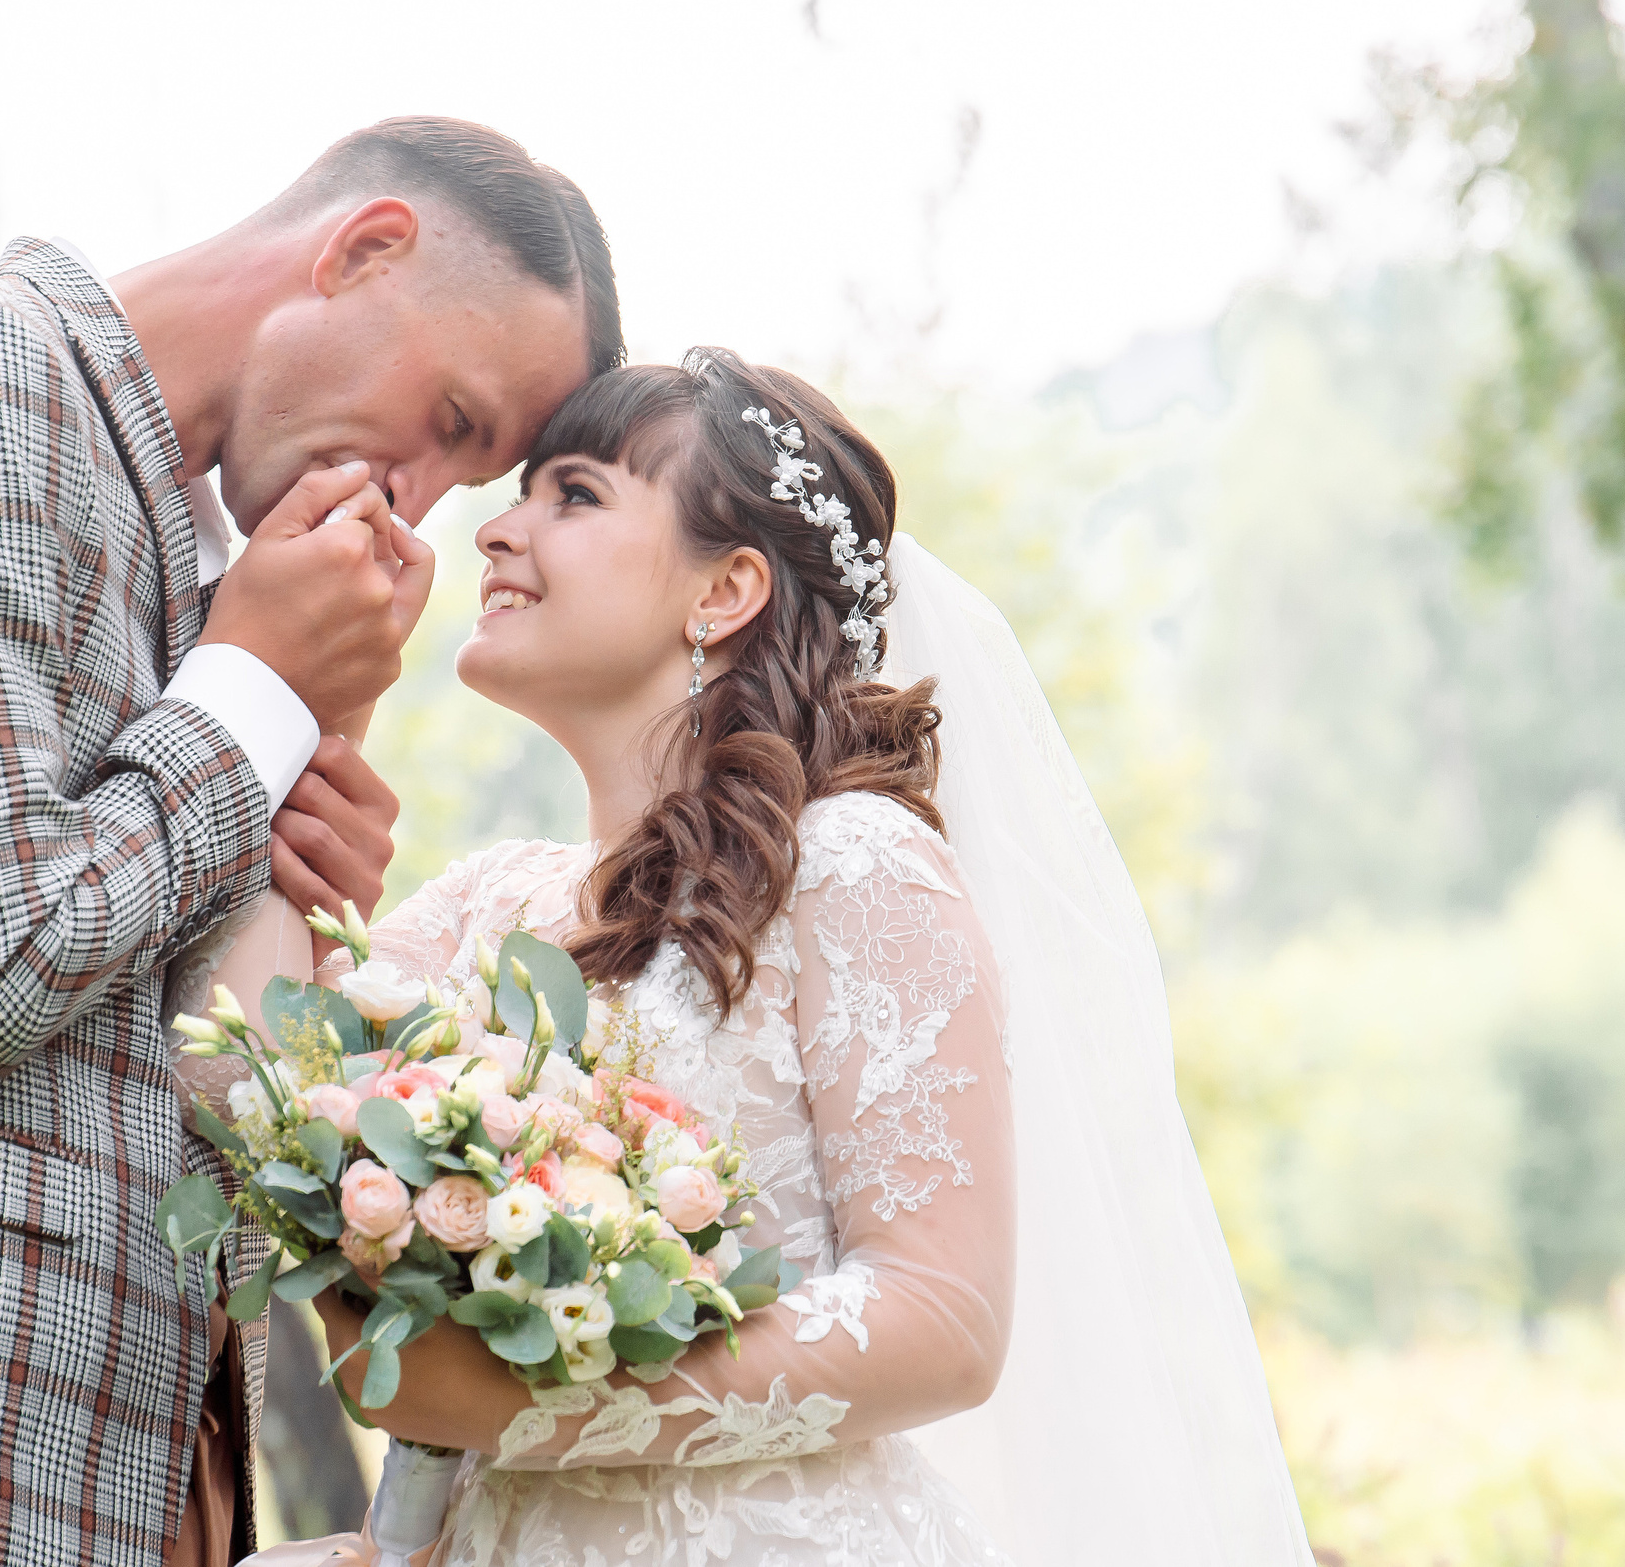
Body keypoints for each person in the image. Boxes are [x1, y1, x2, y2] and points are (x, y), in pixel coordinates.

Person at [0, 116, 620, 1567]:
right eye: (450, 418)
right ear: (363, 249)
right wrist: (251, 697)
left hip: (129, 1459)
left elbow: (195, 1094)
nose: (419, 496)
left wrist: (304, 853)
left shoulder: (215, 575)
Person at [217, 349, 1314, 1565]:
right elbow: (245, 1083)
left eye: (572, 496)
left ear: (725, 589)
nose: (497, 533)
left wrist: (536, 1404)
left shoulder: (852, 867)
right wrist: (328, 708)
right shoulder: (486, 904)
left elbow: (944, 1317)